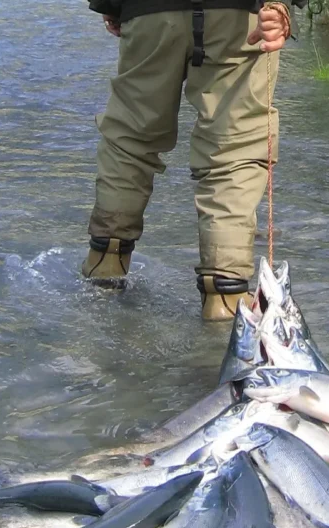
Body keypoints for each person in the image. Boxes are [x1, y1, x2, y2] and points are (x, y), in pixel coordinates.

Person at [79, 0, 299, 321]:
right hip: (238, 15)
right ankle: (224, 298)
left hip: (148, 11)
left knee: (131, 137)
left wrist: (111, 4)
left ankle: (104, 264)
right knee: (234, 147)